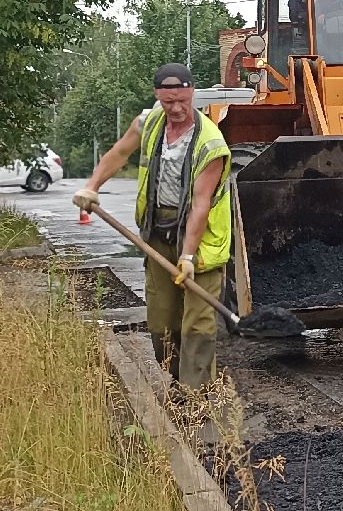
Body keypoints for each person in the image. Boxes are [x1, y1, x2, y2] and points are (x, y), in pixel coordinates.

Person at [73, 63, 234, 389]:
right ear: (157, 97)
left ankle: (198, 401)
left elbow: (201, 207)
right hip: (157, 232)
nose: (175, 109)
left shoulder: (211, 144)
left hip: (201, 241)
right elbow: (119, 154)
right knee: (162, 322)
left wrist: (187, 258)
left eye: (182, 102)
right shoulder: (148, 123)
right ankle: (176, 383)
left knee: (197, 323)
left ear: (192, 95)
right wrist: (92, 186)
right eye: (167, 102)